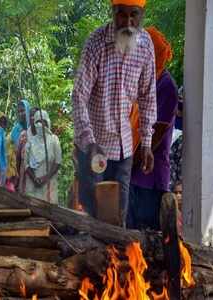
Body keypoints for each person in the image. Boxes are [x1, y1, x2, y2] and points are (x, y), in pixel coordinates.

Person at [72, 0, 157, 226]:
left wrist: (147, 142)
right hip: (94, 150)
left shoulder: (146, 45)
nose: (127, 22)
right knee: (94, 220)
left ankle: (119, 260)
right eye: (121, 15)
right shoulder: (96, 42)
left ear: (142, 15)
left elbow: (148, 96)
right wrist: (89, 141)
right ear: (112, 12)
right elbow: (79, 95)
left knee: (119, 218)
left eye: (134, 15)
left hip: (125, 150)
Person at [127, 27, 179, 230]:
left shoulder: (166, 86)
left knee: (147, 239)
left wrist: (128, 163)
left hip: (150, 176)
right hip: (133, 173)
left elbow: (156, 133)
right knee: (128, 236)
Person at [25, 110, 62, 204]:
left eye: (43, 121)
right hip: (33, 186)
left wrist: (45, 178)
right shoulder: (30, 142)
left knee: (49, 213)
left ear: (47, 123)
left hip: (49, 186)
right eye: (38, 121)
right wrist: (35, 179)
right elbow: (26, 165)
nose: (40, 124)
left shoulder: (54, 140)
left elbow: (58, 163)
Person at [0, 112, 17, 191]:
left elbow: (12, 159)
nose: (2, 125)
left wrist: (11, 174)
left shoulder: (8, 140)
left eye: (4, 123)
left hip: (7, 178)